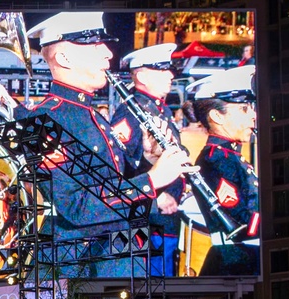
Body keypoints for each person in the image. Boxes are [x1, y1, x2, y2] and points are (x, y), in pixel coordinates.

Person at [21, 12, 189, 263]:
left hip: (115, 254)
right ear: (64, 58)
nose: (109, 54)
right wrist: (152, 180)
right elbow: (77, 208)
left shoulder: (93, 116)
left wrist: (148, 160)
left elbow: (112, 184)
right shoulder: (43, 121)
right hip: (80, 263)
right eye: (95, 45)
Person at [109, 43, 183, 276]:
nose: (170, 75)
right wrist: (157, 196)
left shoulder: (159, 109)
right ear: (141, 75)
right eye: (162, 70)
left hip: (160, 218)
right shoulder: (131, 112)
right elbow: (120, 165)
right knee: (146, 286)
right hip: (145, 217)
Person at [184, 65, 260, 276]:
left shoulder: (230, 157)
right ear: (217, 116)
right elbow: (241, 221)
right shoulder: (218, 159)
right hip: (236, 263)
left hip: (243, 258)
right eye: (244, 109)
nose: (253, 115)